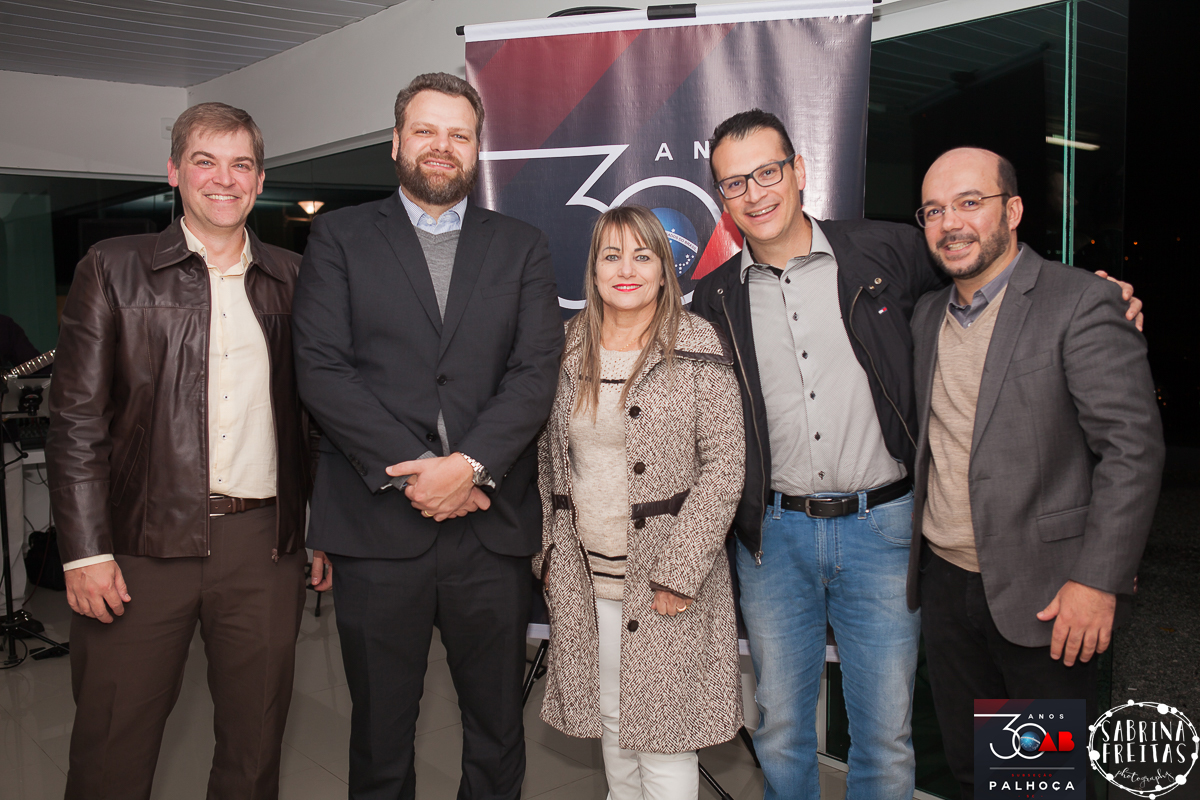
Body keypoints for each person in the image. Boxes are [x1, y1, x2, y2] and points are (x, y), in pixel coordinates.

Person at [688, 110, 1144, 800]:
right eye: (733, 183)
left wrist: (1103, 296)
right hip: (778, 541)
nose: (754, 193)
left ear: (799, 171)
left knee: (889, 733)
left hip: (888, 533)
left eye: (767, 172)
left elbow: (998, 283)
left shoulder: (888, 252)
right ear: (722, 199)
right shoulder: (713, 296)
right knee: (783, 725)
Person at [291, 72, 563, 800]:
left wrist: (470, 466)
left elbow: (536, 372)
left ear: (477, 149)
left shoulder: (522, 245)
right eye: (426, 130)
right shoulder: (340, 237)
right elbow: (321, 370)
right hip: (377, 526)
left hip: (491, 530)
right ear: (396, 141)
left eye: (459, 134)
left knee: (498, 732)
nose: (441, 147)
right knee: (380, 734)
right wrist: (424, 476)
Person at [45, 102, 311, 800]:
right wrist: (83, 550)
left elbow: (319, 418)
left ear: (259, 180)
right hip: (135, 546)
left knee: (254, 751)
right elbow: (75, 420)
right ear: (174, 172)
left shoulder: (296, 278)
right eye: (205, 160)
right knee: (112, 748)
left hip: (263, 546)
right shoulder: (112, 268)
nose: (224, 179)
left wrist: (326, 532)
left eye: (240, 165)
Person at [906, 147, 1164, 798]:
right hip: (947, 591)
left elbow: (1131, 449)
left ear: (1013, 210)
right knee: (969, 774)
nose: (951, 223)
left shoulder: (1078, 301)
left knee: (1033, 782)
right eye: (935, 210)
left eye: (970, 202)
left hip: (1046, 598)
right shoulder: (926, 316)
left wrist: (1096, 580)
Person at [535, 205, 745, 800]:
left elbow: (725, 466)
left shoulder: (698, 341)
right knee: (613, 735)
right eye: (611, 255)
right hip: (585, 579)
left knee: (664, 744)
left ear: (663, 270)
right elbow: (549, 458)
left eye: (642, 255)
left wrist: (681, 573)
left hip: (664, 584)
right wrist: (549, 555)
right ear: (594, 270)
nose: (626, 269)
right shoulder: (568, 344)